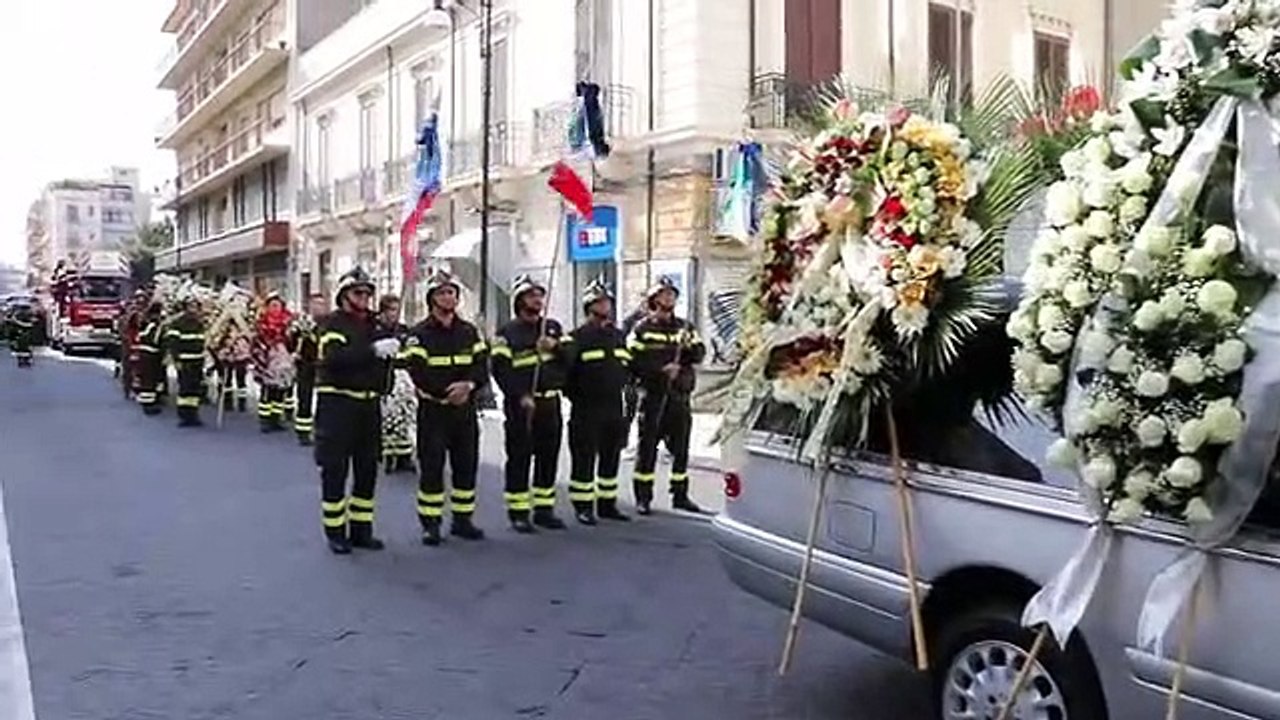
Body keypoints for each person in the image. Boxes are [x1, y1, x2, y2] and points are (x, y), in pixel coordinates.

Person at [314, 267, 398, 555]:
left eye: (367, 293)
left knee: (367, 470)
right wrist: (374, 351)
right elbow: (334, 359)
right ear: (344, 296)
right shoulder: (332, 325)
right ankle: (335, 532)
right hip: (339, 405)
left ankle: (362, 530)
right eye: (357, 292)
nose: (364, 298)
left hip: (368, 405)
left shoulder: (374, 325)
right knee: (335, 471)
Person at [401, 269, 488, 546]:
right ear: (431, 299)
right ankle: (431, 524)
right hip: (434, 410)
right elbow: (416, 371)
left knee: (466, 466)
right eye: (442, 293)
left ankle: (463, 521)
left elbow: (481, 366)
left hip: (464, 411)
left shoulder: (468, 331)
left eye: (452, 292)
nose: (448, 297)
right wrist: (444, 393)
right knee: (432, 468)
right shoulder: (419, 335)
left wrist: (468, 386)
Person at [490, 274, 568, 533]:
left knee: (548, 457)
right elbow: (500, 369)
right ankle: (519, 511)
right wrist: (520, 394)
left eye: (539, 295)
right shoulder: (507, 332)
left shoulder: (553, 328)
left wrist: (555, 347)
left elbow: (570, 360)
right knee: (520, 457)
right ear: (520, 300)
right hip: (521, 405)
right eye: (532, 295)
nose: (538, 300)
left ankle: (544, 510)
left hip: (549, 403)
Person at [628, 276, 706, 515]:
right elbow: (632, 360)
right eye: (664, 294)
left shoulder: (685, 327)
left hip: (679, 396)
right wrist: (660, 369)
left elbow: (700, 353)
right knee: (647, 448)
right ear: (654, 299)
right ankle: (643, 497)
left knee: (681, 448)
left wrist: (687, 353)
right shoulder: (642, 329)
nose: (669, 297)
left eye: (672, 294)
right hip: (653, 395)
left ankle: (680, 494)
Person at [563, 279, 632, 525]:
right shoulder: (577, 337)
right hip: (586, 408)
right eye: (600, 302)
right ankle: (583, 506)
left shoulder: (618, 336)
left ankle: (607, 504)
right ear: (589, 307)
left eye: (607, 302)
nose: (606, 306)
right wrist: (579, 395)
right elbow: (566, 374)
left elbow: (627, 367)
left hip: (614, 405)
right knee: (584, 459)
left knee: (610, 456)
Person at [376, 294, 416, 474]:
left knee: (405, 416)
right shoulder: (376, 328)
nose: (395, 314)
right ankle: (388, 455)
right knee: (388, 418)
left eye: (397, 310)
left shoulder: (403, 329)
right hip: (385, 377)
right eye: (392, 310)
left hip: (403, 377)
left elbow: (410, 351)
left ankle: (404, 456)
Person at [252, 292, 296, 433]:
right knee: (268, 391)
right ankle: (265, 420)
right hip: (268, 360)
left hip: (283, 361)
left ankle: (276, 418)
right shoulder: (262, 322)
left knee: (280, 391)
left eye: (278, 305)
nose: (276, 308)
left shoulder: (288, 322)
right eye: (272, 305)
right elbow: (257, 342)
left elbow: (292, 342)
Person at [165, 294, 209, 428]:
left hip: (197, 361)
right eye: (191, 306)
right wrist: (176, 359)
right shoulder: (177, 323)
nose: (193, 309)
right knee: (185, 389)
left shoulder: (199, 323)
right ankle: (184, 416)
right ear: (185, 307)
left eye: (195, 306)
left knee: (195, 390)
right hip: (184, 361)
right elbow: (173, 343)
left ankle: (194, 415)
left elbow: (203, 341)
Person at [289, 295, 325, 446]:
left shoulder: (328, 323)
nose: (319, 307)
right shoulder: (302, 322)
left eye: (321, 304)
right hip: (306, 363)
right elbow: (291, 339)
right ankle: (303, 431)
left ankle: (321, 430)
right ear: (310, 305)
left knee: (324, 399)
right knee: (305, 397)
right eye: (316, 304)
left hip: (323, 365)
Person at [135, 301, 166, 415]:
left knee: (150, 379)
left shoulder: (145, 321)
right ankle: (148, 406)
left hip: (146, 353)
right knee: (149, 380)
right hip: (150, 354)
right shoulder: (153, 324)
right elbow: (155, 339)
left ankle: (152, 402)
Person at [9, 302, 35, 368]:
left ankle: (24, 358)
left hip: (24, 334)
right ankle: (23, 358)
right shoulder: (17, 316)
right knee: (23, 344)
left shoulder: (28, 315)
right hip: (22, 334)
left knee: (25, 344)